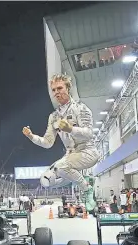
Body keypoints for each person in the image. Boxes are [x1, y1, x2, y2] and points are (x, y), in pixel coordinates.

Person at [22, 73, 99, 211]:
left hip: (87, 151)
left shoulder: (81, 109)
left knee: (61, 166)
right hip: (70, 156)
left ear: (67, 88)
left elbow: (88, 134)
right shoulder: (54, 117)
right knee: (45, 180)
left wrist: (70, 129)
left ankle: (87, 189)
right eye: (54, 90)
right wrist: (32, 137)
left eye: (59, 88)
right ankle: (79, 178)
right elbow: (47, 142)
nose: (56, 92)